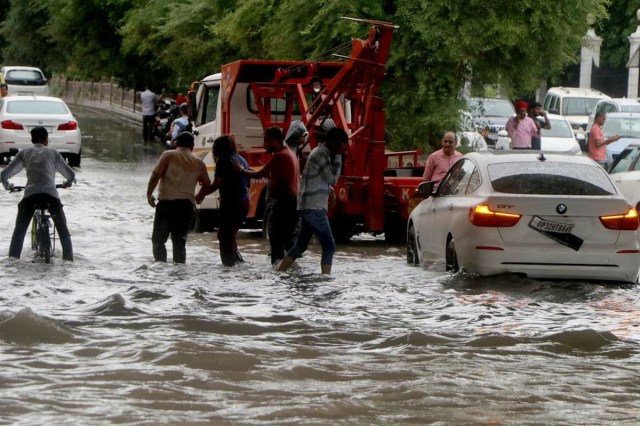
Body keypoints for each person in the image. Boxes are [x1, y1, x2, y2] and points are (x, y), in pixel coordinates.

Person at [277, 127, 348, 275]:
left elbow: (319, 180)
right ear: (334, 144)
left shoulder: (323, 153)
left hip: (310, 205)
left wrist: (330, 191)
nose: (344, 149)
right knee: (329, 246)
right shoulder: (321, 154)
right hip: (313, 207)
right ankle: (326, 280)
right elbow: (332, 179)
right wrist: (340, 158)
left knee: (301, 245)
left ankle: (280, 272)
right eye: (342, 146)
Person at [1, 126, 75, 261]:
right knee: (64, 233)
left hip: (31, 196)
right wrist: (67, 182)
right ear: (46, 139)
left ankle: (12, 260)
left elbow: (4, 174)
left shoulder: (24, 153)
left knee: (19, 233)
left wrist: (8, 186)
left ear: (32, 139)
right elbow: (70, 174)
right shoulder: (53, 153)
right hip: (51, 196)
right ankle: (68, 261)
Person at [237, 127, 300, 265]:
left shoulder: (280, 155)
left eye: (266, 141)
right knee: (286, 241)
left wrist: (241, 170)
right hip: (292, 203)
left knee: (276, 241)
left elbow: (260, 174)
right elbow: (264, 172)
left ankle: (278, 274)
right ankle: (289, 271)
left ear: (275, 140)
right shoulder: (289, 153)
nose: (264, 144)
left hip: (285, 203)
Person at [146, 132, 210, 263]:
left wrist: (149, 194)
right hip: (185, 207)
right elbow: (207, 183)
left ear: (176, 143)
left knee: (158, 241)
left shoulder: (168, 155)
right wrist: (199, 196)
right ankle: (179, 274)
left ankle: (160, 268)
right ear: (192, 146)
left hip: (166, 205)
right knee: (179, 242)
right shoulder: (199, 163)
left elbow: (155, 176)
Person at [196, 135, 249, 266]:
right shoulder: (241, 159)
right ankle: (238, 263)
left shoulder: (223, 160)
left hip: (231, 203)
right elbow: (247, 183)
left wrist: (201, 195)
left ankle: (228, 266)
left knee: (225, 237)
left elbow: (216, 184)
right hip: (244, 202)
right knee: (228, 235)